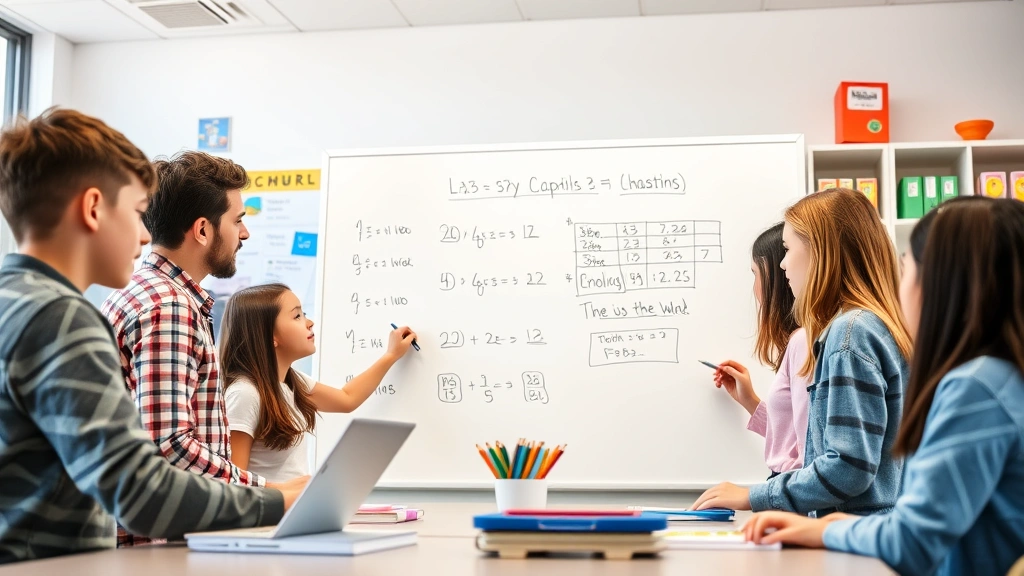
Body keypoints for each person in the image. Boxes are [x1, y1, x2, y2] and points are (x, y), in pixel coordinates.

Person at [0, 109, 305, 564]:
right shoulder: (63, 317)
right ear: (93, 208)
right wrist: (280, 499)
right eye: (139, 213)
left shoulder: (16, 298)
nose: (145, 235)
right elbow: (142, 487)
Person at [744, 197, 1024, 576]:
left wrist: (828, 529)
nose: (898, 279)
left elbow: (914, 540)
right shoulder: (1000, 379)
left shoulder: (976, 390)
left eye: (908, 266)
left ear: (942, 282)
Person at [101, 151, 302, 545]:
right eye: (238, 220)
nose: (244, 234)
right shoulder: (168, 307)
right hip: (154, 547)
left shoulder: (139, 293)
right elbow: (169, 444)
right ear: (203, 230)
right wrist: (271, 492)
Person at [695, 188, 911, 517]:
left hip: (850, 533)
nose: (782, 265)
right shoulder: (877, 327)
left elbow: (848, 468)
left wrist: (752, 496)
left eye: (787, 249)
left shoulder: (849, 334)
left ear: (821, 252)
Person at [221, 283, 417, 482]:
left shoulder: (291, 381)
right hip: (272, 511)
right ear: (270, 336)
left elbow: (347, 399)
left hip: (293, 508)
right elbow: (235, 484)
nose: (310, 322)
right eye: (297, 316)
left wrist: (391, 355)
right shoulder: (245, 394)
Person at [711, 223, 810, 477]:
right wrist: (750, 401)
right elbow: (792, 439)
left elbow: (805, 454)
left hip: (791, 492)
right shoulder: (800, 341)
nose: (754, 287)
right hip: (791, 490)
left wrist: (752, 498)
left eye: (755, 273)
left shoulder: (803, 342)